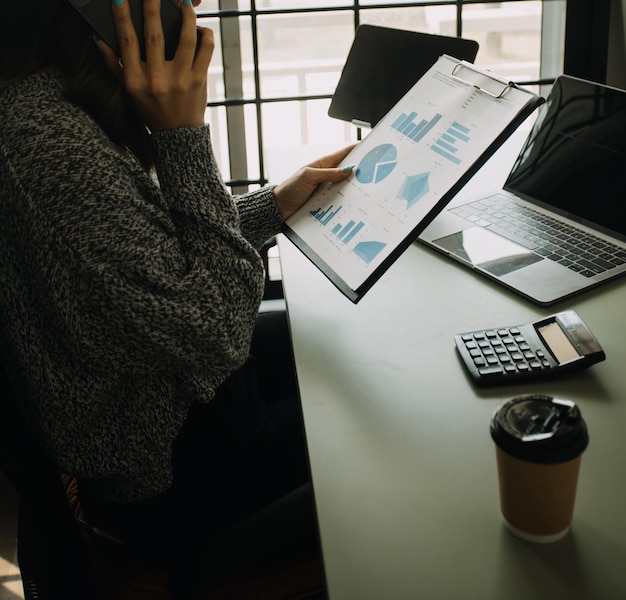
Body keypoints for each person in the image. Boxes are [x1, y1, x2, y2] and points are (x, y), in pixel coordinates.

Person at [0, 0, 354, 593]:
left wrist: (275, 204)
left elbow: (139, 261)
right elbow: (214, 326)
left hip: (159, 388)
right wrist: (182, 135)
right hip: (171, 461)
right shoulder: (48, 141)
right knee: (380, 416)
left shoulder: (40, 102)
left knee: (339, 345)